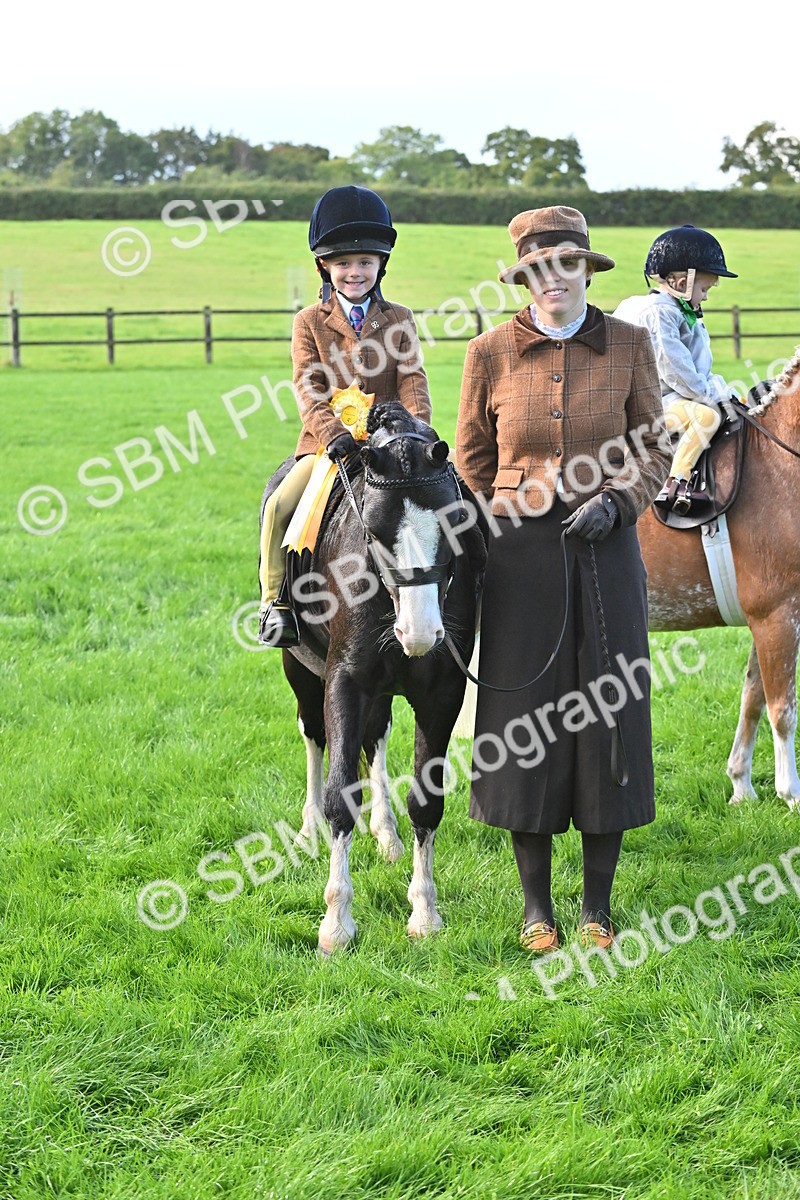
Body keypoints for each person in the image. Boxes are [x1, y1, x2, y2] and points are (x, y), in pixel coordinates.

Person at [455, 205, 671, 952]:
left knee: (606, 713)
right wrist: (504, 519)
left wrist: (617, 503)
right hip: (520, 564)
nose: (556, 281)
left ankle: (597, 909)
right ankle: (535, 909)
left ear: (585, 269)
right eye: (540, 270)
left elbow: (655, 445)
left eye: (568, 265)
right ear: (525, 278)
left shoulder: (631, 345)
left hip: (607, 550)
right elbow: (471, 463)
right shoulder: (487, 353)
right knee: (524, 727)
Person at [258, 185, 432, 646]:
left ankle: (468, 589)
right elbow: (307, 385)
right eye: (344, 264)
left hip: (391, 444)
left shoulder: (399, 318)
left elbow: (413, 378)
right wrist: (332, 433)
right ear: (325, 267)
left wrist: (416, 429)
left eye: (365, 263)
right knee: (279, 505)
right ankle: (275, 603)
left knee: (454, 497)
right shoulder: (308, 322)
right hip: (327, 446)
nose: (355, 272)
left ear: (380, 266)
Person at [613, 225, 738, 514]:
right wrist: (711, 398)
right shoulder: (658, 313)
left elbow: (698, 369)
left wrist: (725, 393)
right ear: (681, 282)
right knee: (707, 417)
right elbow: (675, 369)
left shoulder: (676, 311)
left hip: (668, 398)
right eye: (704, 288)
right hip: (647, 407)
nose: (706, 296)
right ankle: (672, 482)